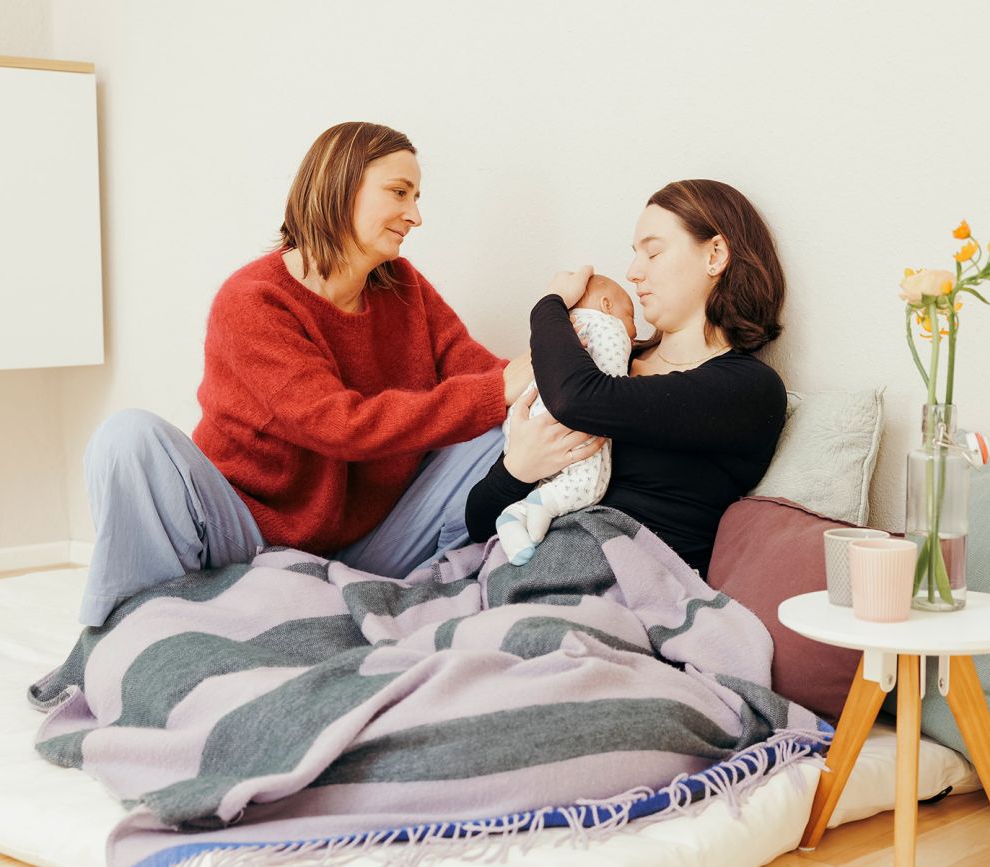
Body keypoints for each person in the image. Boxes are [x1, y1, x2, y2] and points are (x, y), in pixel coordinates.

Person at [76, 122, 600, 627]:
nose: (415, 216)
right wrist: (497, 388)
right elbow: (337, 425)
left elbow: (482, 373)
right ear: (341, 186)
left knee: (503, 426)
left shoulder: (403, 285)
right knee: (127, 436)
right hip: (247, 535)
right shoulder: (254, 301)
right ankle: (135, 623)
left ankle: (413, 595)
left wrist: (577, 340)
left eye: (417, 197)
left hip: (366, 547)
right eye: (399, 192)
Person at [466, 179, 788, 577]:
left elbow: (577, 400)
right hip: (523, 569)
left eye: (653, 252)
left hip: (626, 582)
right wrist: (518, 469)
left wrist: (549, 306)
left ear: (715, 255)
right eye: (635, 255)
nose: (633, 273)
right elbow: (477, 523)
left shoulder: (748, 388)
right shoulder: (603, 365)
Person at [495, 274, 637, 565]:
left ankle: (514, 516)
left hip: (523, 426)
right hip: (566, 426)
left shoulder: (558, 336)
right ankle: (540, 507)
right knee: (590, 482)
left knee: (544, 480)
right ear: (607, 305)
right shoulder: (609, 329)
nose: (635, 329)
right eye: (631, 316)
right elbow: (604, 395)